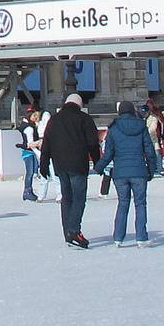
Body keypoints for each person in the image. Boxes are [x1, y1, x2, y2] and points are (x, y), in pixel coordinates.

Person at [38, 92, 100, 249]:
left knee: (67, 198)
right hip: (78, 165)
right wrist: (98, 162)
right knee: (79, 198)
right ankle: (74, 230)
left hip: (60, 166)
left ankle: (68, 232)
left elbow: (47, 143)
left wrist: (43, 164)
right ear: (79, 105)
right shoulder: (84, 119)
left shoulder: (54, 120)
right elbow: (93, 143)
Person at [98, 99, 162, 247]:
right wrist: (151, 170)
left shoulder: (113, 129)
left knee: (122, 204)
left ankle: (118, 238)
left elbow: (108, 153)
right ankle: (141, 237)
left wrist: (99, 167)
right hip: (139, 171)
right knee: (140, 204)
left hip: (120, 172)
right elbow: (149, 151)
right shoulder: (141, 127)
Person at [14, 106, 43, 202]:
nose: (36, 118)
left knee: (32, 172)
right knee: (30, 172)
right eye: (35, 115)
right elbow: (30, 144)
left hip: (30, 151)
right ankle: (27, 191)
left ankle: (29, 190)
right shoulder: (29, 128)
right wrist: (38, 152)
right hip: (28, 152)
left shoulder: (31, 126)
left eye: (38, 116)